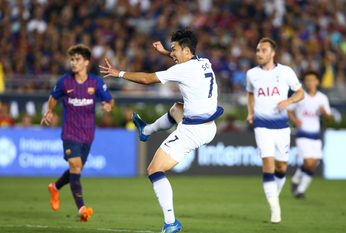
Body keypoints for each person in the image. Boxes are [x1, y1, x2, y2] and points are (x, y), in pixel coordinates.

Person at [100, 28, 223, 233]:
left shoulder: (184, 69)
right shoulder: (204, 62)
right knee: (177, 108)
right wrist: (166, 51)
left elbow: (148, 79)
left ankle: (171, 222)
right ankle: (146, 130)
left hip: (193, 130)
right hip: (209, 125)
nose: (172, 53)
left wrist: (118, 73)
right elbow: (182, 59)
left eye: (174, 49)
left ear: (185, 50)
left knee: (154, 170)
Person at [41, 44, 114, 222]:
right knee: (75, 166)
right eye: (72, 59)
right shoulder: (65, 82)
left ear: (86, 62)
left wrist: (107, 105)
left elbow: (110, 100)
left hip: (88, 133)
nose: (73, 63)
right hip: (70, 132)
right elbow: (53, 98)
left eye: (77, 59)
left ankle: (55, 187)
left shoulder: (96, 82)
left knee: (77, 168)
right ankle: (82, 209)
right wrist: (50, 111)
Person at [246, 37, 304, 223]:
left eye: (263, 50)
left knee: (281, 167)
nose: (259, 53)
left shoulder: (286, 72)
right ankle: (275, 210)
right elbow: (250, 94)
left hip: (282, 127)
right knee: (268, 165)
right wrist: (250, 112)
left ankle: (274, 197)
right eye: (257, 50)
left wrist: (289, 101)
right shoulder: (251, 74)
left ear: (272, 53)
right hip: (262, 125)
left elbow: (300, 93)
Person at [289, 71, 332, 198]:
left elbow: (329, 118)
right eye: (307, 80)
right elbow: (289, 111)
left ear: (318, 82)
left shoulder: (322, 98)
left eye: (312, 80)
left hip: (316, 135)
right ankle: (300, 189)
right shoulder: (299, 96)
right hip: (302, 134)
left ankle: (297, 183)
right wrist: (294, 120)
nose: (310, 82)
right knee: (308, 163)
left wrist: (324, 113)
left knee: (313, 164)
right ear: (304, 82)